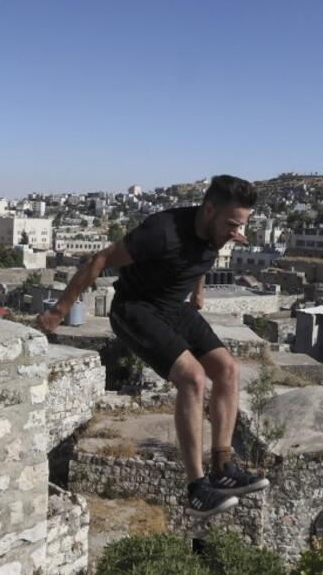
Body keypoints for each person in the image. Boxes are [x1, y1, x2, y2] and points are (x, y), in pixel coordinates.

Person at [36, 175, 269, 518]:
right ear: (208, 210)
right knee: (192, 377)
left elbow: (200, 257)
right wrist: (59, 310)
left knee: (228, 370)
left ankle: (222, 468)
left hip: (175, 307)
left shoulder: (220, 230)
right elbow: (99, 260)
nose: (236, 232)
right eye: (232, 223)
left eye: (242, 224)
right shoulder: (162, 231)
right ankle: (197, 488)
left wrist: (198, 292)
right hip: (135, 307)